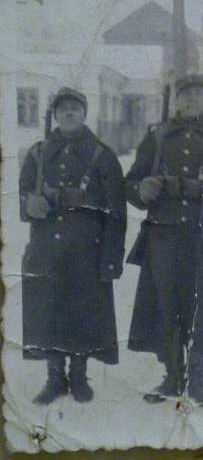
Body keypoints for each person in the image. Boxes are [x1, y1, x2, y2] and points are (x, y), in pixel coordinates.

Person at [125, 74, 203, 406]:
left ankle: (196, 379)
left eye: (199, 94)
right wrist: (141, 189)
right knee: (166, 305)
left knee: (201, 307)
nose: (192, 99)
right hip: (163, 233)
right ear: (177, 100)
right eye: (185, 94)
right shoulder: (158, 136)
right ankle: (172, 377)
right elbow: (132, 181)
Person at [19, 87, 126, 405]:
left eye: (74, 108)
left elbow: (116, 212)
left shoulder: (102, 155)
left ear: (84, 113)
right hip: (46, 248)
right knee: (49, 311)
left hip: (86, 250)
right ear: (54, 115)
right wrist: (30, 204)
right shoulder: (38, 153)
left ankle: (78, 377)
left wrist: (111, 259)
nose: (68, 113)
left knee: (83, 313)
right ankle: (55, 378)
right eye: (62, 108)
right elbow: (22, 193)